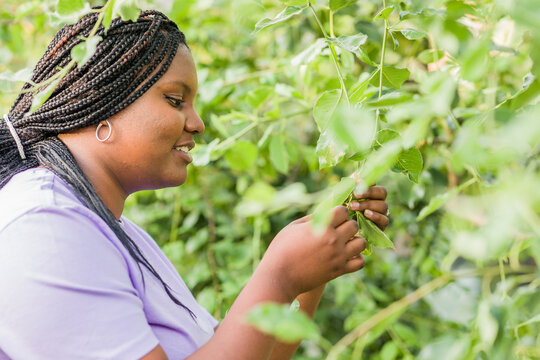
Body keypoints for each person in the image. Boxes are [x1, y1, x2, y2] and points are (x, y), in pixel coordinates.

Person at [0, 9, 389, 360]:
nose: (198, 123)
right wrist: (278, 276)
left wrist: (308, 275)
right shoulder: (43, 226)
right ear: (104, 104)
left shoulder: (113, 230)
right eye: (174, 100)